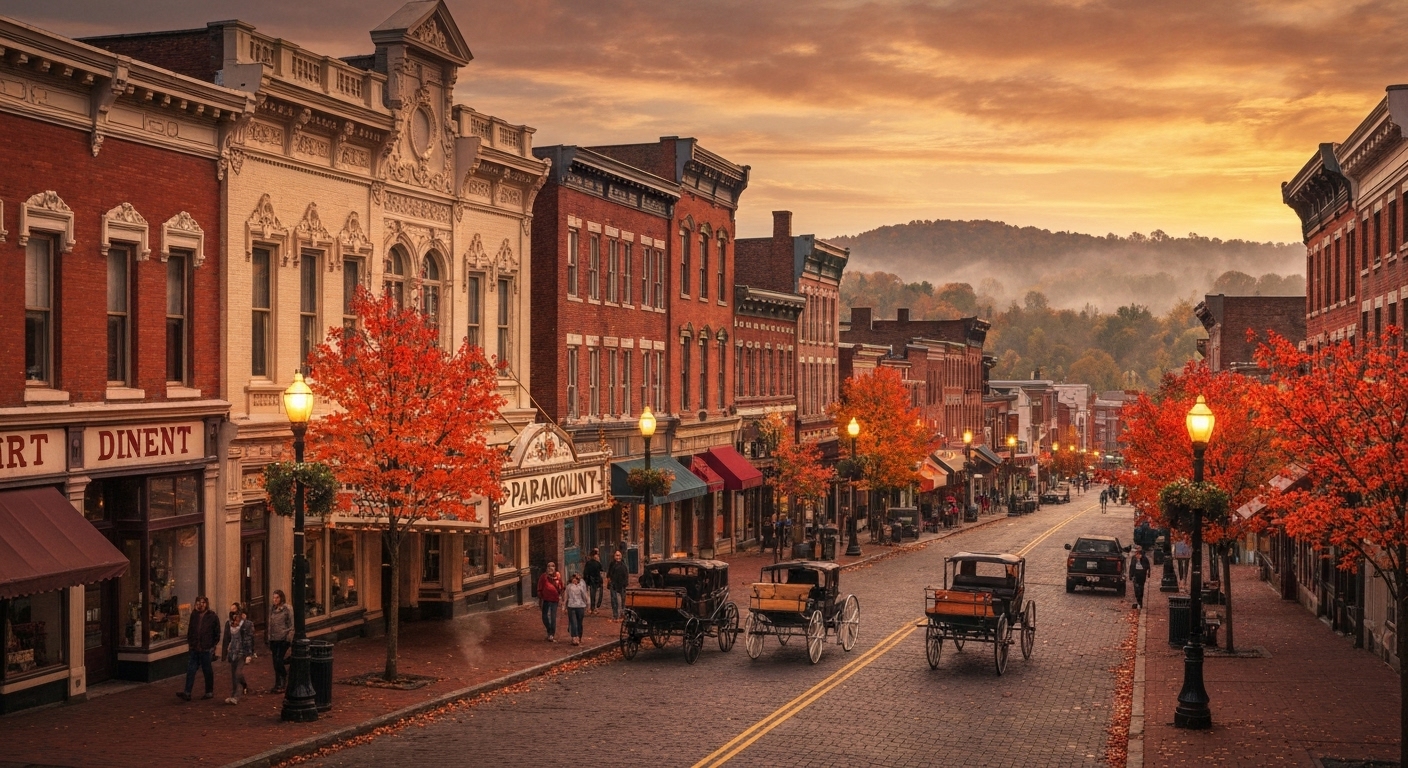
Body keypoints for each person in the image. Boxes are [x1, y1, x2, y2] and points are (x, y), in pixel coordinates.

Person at [178, 596, 220, 701]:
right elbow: (191, 629)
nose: (200, 605)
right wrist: (191, 643)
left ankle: (209, 691)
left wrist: (212, 644)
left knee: (207, 670)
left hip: (205, 648)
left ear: (206, 604)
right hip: (195, 648)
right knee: (191, 670)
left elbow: (216, 632)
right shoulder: (194, 615)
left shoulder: (212, 616)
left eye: (202, 603)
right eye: (198, 602)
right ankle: (187, 692)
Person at [223, 602, 254, 704]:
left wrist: (249, 654)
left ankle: (241, 689)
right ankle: (234, 695)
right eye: (231, 612)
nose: (233, 614)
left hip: (242, 652)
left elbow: (249, 639)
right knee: (233, 674)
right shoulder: (229, 624)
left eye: (235, 611)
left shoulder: (246, 624)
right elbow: (226, 638)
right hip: (233, 652)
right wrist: (224, 653)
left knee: (238, 673)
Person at [266, 589, 293, 693]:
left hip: (283, 638)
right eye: (274, 597)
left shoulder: (287, 609)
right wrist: (269, 637)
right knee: (275, 662)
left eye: (277, 597)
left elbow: (291, 624)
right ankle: (277, 684)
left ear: (281, 598)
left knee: (278, 660)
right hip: (274, 638)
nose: (275, 600)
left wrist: (289, 637)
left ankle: (283, 678)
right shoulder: (272, 609)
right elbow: (270, 624)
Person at [537, 561, 565, 642]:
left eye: (552, 566)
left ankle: (551, 634)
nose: (550, 568)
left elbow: (561, 587)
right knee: (544, 616)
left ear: (554, 568)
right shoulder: (543, 577)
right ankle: (549, 629)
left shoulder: (558, 576)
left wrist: (563, 599)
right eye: (548, 566)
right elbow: (539, 587)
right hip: (545, 599)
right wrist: (540, 597)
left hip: (554, 600)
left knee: (553, 617)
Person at [564, 572, 589, 646]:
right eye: (573, 579)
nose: (574, 580)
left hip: (580, 606)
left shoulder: (580, 587)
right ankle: (574, 637)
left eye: (576, 579)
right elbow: (566, 597)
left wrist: (587, 605)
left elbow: (585, 596)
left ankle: (579, 636)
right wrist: (564, 606)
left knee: (579, 622)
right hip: (571, 607)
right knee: (573, 622)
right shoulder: (568, 587)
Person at [607, 549, 630, 621]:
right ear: (614, 556)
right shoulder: (612, 564)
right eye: (616, 555)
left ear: (621, 556)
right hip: (613, 584)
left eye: (619, 555)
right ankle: (615, 615)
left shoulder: (623, 565)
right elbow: (609, 574)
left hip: (622, 585)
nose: (618, 557)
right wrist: (609, 582)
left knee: (623, 601)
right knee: (614, 600)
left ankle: (622, 614)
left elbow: (626, 575)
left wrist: (625, 584)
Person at [583, 548, 604, 615]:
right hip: (596, 581)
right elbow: (601, 571)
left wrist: (586, 581)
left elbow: (585, 573)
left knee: (592, 595)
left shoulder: (588, 563)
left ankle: (592, 608)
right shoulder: (597, 563)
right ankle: (595, 608)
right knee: (597, 595)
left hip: (590, 581)